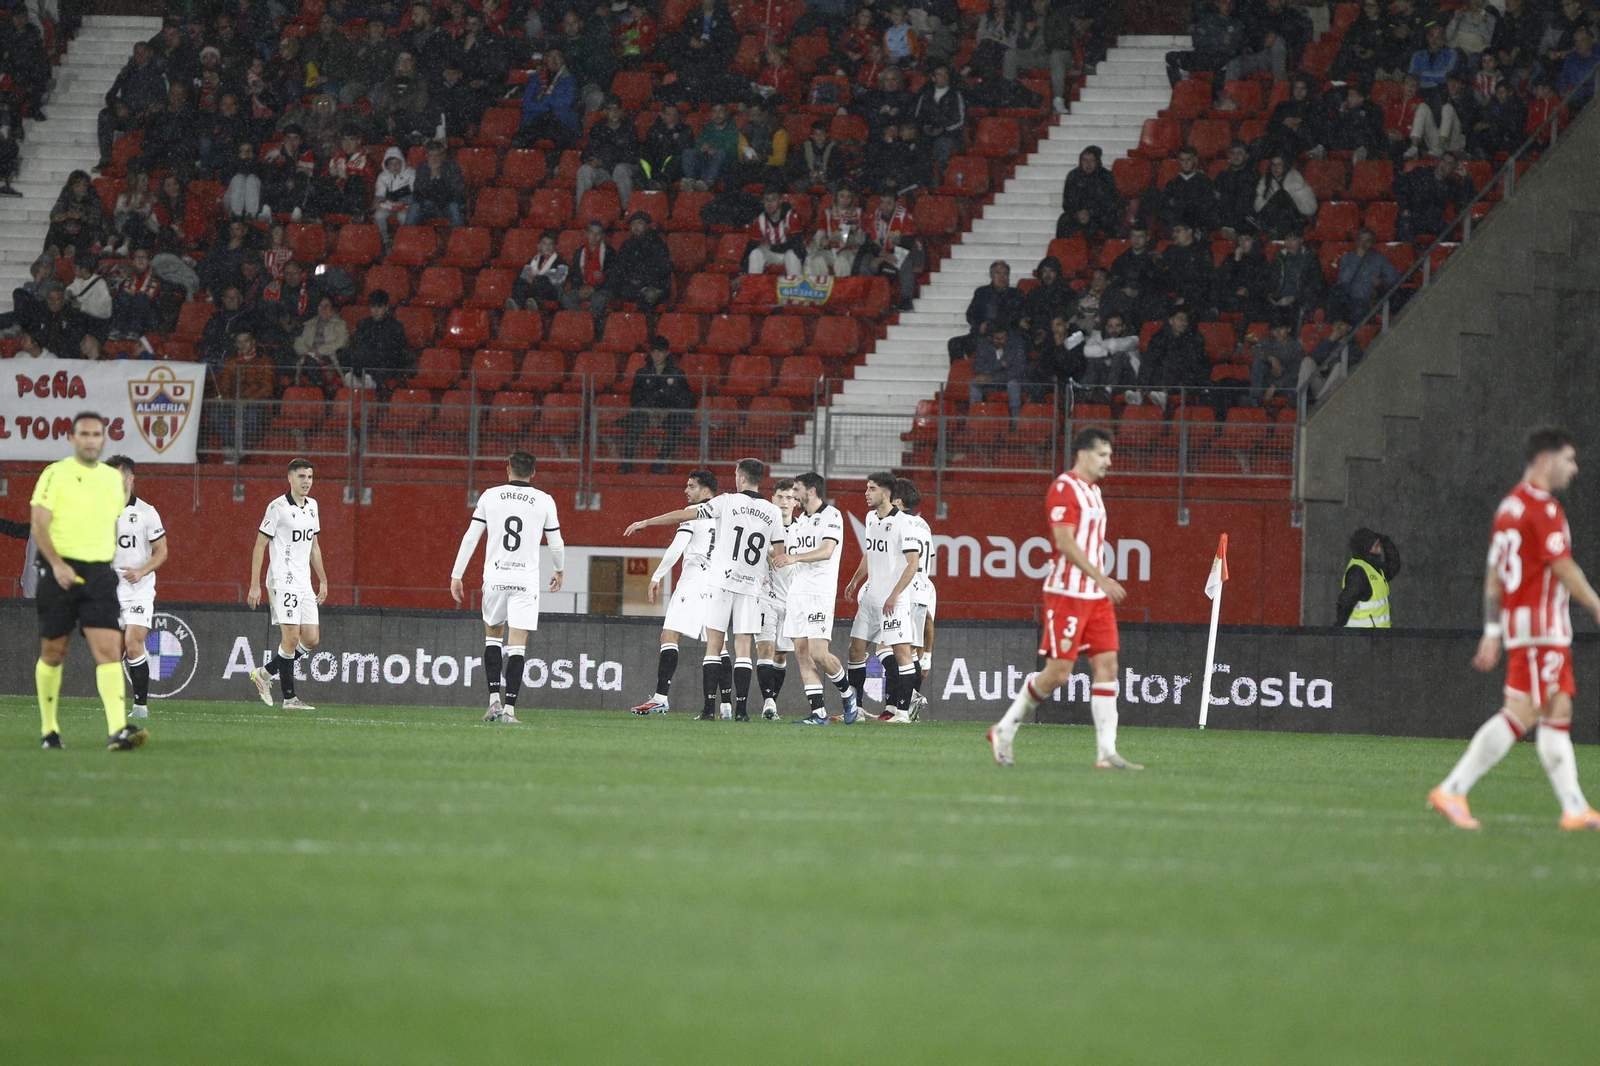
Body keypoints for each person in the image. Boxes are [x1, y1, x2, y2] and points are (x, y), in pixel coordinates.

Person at [1429, 426, 1600, 831]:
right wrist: (1595, 604)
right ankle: (1453, 789)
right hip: (1541, 628)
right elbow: (1563, 567)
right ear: (1545, 460)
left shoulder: (1508, 507)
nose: (1574, 468)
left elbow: (1494, 573)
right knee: (1522, 713)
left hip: (1531, 627)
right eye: (1569, 459)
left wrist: (1492, 628)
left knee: (1558, 710)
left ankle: (1575, 808)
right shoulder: (1543, 508)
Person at [988, 427, 1141, 769]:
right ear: (1083, 454)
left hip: (1095, 597)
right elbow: (1064, 541)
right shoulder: (1064, 488)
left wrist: (1098, 583)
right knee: (1058, 674)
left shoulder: (1094, 492)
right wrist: (1101, 577)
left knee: (1108, 666)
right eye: (1103, 455)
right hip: (1067, 594)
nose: (1109, 462)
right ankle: (1004, 729)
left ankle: (1106, 752)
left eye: (1110, 455)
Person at [624, 458, 786, 722]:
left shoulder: (724, 503)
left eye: (736, 473)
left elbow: (683, 521)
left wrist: (648, 523)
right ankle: (737, 710)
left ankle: (694, 706)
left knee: (701, 641)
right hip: (749, 584)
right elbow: (779, 554)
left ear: (742, 478)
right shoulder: (771, 511)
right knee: (739, 646)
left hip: (715, 581)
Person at [30, 413, 148, 751]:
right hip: (59, 571)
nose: (91, 439)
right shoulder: (55, 474)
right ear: (72, 438)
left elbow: (110, 523)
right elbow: (39, 525)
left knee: (109, 651)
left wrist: (103, 560)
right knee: (54, 652)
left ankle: (118, 730)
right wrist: (57, 565)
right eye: (84, 434)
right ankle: (50, 731)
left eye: (97, 434)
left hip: (98, 574)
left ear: (103, 440)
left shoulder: (111, 481)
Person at [449, 450, 566, 723]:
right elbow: (556, 543)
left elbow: (470, 538)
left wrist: (457, 574)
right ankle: (510, 711)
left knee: (492, 639)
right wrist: (559, 570)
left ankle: (493, 702)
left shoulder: (490, 496)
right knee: (517, 646)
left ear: (508, 469)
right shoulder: (545, 500)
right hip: (525, 580)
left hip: (496, 577)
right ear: (533, 473)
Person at [774, 471, 861, 725]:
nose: (793, 495)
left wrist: (794, 557)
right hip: (797, 593)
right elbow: (787, 555)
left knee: (819, 652)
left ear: (811, 491)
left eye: (796, 490)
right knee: (801, 652)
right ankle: (818, 713)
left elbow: (827, 551)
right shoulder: (800, 521)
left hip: (819, 593)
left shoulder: (832, 515)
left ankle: (847, 692)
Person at [632, 469, 720, 715]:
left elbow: (677, 547)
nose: (686, 490)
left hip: (694, 580)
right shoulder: (724, 516)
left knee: (669, 635)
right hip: (717, 584)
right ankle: (726, 706)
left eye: (691, 486)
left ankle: (660, 698)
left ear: (705, 490)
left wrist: (656, 576)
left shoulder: (693, 514)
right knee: (717, 645)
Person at [842, 471, 926, 723]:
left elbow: (913, 563)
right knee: (855, 650)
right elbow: (870, 553)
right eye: (867, 488)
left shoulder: (904, 523)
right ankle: (856, 710)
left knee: (902, 654)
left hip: (892, 601)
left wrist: (895, 594)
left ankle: (902, 712)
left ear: (887, 494)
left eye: (872, 488)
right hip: (870, 599)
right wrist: (855, 580)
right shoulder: (870, 518)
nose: (866, 493)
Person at [246, 460, 327, 712]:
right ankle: (290, 699)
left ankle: (264, 674)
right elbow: (259, 545)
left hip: (304, 582)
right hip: (282, 581)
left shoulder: (313, 506)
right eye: (301, 476)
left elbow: (314, 547)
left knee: (311, 638)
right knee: (290, 638)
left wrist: (323, 580)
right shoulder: (277, 507)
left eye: (310, 477)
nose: (306, 481)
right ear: (289, 478)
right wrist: (255, 584)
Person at [103, 456, 166, 721]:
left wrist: (141, 571)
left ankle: (140, 707)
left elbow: (162, 551)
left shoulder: (146, 512)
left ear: (130, 479)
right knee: (112, 654)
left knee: (133, 642)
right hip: (110, 591)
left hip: (139, 589)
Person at [894, 478, 939, 720]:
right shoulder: (923, 524)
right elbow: (928, 558)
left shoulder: (898, 521)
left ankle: (906, 703)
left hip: (907, 586)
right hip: (922, 585)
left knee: (895, 648)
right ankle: (907, 704)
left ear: (897, 501)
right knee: (911, 651)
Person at [755, 479, 799, 720]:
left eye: (789, 497)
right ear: (772, 499)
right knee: (765, 648)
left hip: (791, 600)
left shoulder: (803, 529)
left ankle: (773, 702)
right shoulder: (763, 525)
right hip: (766, 597)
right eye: (780, 497)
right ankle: (768, 702)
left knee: (781, 655)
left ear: (796, 502)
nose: (784, 502)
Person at [620, 336, 695, 474]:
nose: (657, 355)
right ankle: (626, 463)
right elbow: (635, 400)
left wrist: (667, 411)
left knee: (678, 425)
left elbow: (685, 400)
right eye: (654, 351)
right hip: (646, 414)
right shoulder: (642, 373)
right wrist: (650, 410)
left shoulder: (677, 374)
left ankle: (659, 463)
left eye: (660, 351)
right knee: (634, 422)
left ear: (667, 353)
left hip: (669, 416)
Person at [210, 331, 277, 458]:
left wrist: (248, 401)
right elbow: (224, 387)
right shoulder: (230, 362)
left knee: (252, 415)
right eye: (239, 342)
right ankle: (232, 446)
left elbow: (267, 389)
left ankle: (244, 447)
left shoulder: (265, 362)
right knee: (216, 413)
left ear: (253, 342)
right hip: (233, 404)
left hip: (255, 404)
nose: (242, 345)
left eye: (246, 341)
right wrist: (232, 401)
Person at [1134, 307, 1208, 410]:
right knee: (1148, 358)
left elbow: (1195, 363)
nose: (1183, 323)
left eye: (1185, 320)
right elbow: (1151, 359)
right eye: (1180, 319)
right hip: (1160, 377)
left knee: (1172, 357)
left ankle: (1164, 394)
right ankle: (1139, 392)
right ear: (1170, 321)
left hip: (1184, 379)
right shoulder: (1159, 338)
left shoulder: (1194, 338)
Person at [950, 260, 1024, 361]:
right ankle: (960, 370)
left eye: (1005, 274)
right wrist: (979, 326)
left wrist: (995, 327)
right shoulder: (981, 292)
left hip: (1005, 336)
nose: (1002, 277)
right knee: (954, 343)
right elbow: (970, 314)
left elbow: (1015, 316)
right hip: (983, 334)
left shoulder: (1016, 294)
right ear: (991, 275)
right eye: (998, 273)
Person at [576, 95, 640, 210]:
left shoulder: (629, 127)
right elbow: (588, 151)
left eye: (617, 109)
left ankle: (628, 212)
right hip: (604, 171)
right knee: (584, 170)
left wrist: (604, 162)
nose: (614, 112)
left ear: (622, 111)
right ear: (605, 112)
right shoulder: (598, 127)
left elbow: (629, 156)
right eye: (611, 109)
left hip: (626, 169)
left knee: (620, 169)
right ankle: (581, 210)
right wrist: (591, 160)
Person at [862, 190, 923, 311]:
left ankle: (906, 300)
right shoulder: (874, 216)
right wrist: (884, 256)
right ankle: (864, 298)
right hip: (884, 252)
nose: (884, 206)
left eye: (889, 203)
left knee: (903, 261)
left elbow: (907, 243)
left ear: (896, 203)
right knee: (866, 260)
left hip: (910, 251)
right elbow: (869, 242)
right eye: (882, 202)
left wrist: (884, 257)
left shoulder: (905, 216)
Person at [600, 212, 672, 312]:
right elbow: (619, 268)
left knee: (648, 297)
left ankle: (645, 322)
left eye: (639, 223)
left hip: (652, 286)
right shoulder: (627, 246)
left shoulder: (658, 245)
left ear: (647, 226)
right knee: (606, 295)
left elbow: (661, 271)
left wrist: (642, 281)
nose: (635, 227)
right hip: (632, 287)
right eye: (633, 224)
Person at [342, 290, 411, 391]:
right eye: (373, 307)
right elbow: (358, 346)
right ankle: (363, 381)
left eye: (379, 307)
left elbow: (398, 352)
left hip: (385, 363)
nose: (375, 310)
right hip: (366, 362)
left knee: (381, 357)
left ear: (386, 307)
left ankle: (371, 384)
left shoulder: (395, 326)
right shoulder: (363, 324)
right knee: (346, 354)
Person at [1394, 151, 1471, 241]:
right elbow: (1398, 184)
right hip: (1412, 218)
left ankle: (1443, 250)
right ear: (1438, 161)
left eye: (1449, 164)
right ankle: (1407, 249)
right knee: (1405, 224)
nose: (1444, 165)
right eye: (1443, 161)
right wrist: (1405, 207)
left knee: (1448, 229)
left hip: (1433, 222)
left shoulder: (1451, 185)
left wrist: (1465, 177)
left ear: (1453, 168)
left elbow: (1468, 198)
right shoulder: (1420, 173)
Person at [1329, 229, 1400, 325]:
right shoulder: (1348, 257)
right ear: (1357, 241)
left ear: (1372, 244)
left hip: (1362, 301)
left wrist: (1382, 282)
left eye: (1368, 241)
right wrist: (1358, 258)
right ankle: (1332, 330)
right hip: (1345, 298)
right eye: (1361, 239)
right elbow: (1343, 280)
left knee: (1357, 312)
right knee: (1335, 294)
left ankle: (1354, 333)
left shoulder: (1379, 259)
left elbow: (1395, 277)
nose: (1363, 243)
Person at [912, 63, 967, 183]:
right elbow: (918, 117)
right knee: (919, 145)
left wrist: (943, 129)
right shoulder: (926, 95)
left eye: (945, 74)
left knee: (942, 145)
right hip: (928, 133)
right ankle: (924, 181)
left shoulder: (955, 94)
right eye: (940, 75)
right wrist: (926, 128)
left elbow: (960, 120)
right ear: (933, 78)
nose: (943, 77)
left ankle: (943, 179)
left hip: (949, 134)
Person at [1336, 527, 1400, 628]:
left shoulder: (1373, 567)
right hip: (1362, 635)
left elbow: (1393, 567)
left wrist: (1387, 543)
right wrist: (1339, 626)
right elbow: (1345, 602)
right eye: (1376, 546)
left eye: (1379, 546)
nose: (1379, 550)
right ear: (1366, 548)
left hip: (1377, 633)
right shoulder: (1358, 572)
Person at [518, 47, 581, 149]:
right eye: (551, 56)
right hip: (536, 121)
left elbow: (567, 102)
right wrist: (548, 107)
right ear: (545, 59)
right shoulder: (534, 79)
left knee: (563, 141)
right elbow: (527, 104)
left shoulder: (570, 80)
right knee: (520, 139)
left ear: (563, 60)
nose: (554, 60)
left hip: (561, 123)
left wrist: (544, 98)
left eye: (558, 56)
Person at [1057, 144, 1119, 240]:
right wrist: (1078, 214)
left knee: (1110, 221)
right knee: (1063, 220)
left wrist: (1090, 213)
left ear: (1097, 161)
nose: (1088, 164)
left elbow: (1111, 203)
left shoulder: (1106, 177)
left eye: (1091, 160)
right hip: (1078, 215)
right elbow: (1067, 203)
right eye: (1084, 160)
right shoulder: (1073, 176)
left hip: (1098, 216)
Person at [804, 187, 867, 277]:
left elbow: (863, 239)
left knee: (841, 261)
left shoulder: (858, 212)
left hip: (850, 251)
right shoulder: (827, 213)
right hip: (831, 250)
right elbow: (820, 232)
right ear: (836, 197)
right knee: (818, 259)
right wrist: (822, 239)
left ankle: (842, 286)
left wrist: (856, 232)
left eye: (848, 197)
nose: (845, 200)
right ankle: (823, 284)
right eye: (842, 196)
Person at [1299, 317, 1365, 401]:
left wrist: (1329, 364)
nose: (1338, 327)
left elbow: (1348, 364)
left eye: (1342, 324)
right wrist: (1330, 340)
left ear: (1349, 328)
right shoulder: (1327, 341)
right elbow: (1314, 357)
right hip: (1321, 382)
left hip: (1337, 388)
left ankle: (1319, 403)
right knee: (1307, 361)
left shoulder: (1354, 346)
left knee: (1339, 366)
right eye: (1335, 324)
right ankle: (1299, 398)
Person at [1253, 154, 1317, 239]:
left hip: (1295, 221)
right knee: (1280, 206)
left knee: (1281, 194)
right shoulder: (1265, 183)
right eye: (1273, 164)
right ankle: (1272, 229)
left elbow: (1310, 208)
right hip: (1274, 220)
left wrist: (1291, 201)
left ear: (1285, 166)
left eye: (1279, 164)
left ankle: (1267, 227)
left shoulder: (1296, 181)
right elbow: (1258, 204)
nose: (1275, 167)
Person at [680, 102, 740, 192]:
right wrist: (702, 148)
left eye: (720, 111)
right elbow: (698, 144)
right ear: (711, 114)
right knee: (688, 152)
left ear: (726, 113)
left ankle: (707, 182)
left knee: (720, 153)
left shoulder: (732, 129)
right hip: (706, 164)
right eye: (714, 111)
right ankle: (690, 182)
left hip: (723, 168)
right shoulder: (708, 128)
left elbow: (733, 151)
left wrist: (715, 150)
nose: (717, 115)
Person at [973, 325, 1029, 420]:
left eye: (1003, 338)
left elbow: (1017, 371)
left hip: (1012, 382)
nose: (1001, 341)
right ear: (990, 338)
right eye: (997, 339)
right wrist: (998, 365)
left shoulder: (1017, 346)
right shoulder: (984, 346)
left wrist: (993, 378)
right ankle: (976, 418)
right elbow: (978, 368)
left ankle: (1015, 422)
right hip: (993, 383)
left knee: (1013, 384)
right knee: (975, 383)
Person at [745, 189, 805, 276]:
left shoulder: (791, 215)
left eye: (773, 199)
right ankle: (753, 283)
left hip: (787, 254)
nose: (769, 203)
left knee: (793, 254)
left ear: (780, 201)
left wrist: (773, 247)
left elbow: (796, 244)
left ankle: (795, 284)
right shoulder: (760, 219)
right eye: (767, 200)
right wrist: (742, 270)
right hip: (772, 254)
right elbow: (751, 245)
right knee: (755, 253)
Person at [406, 140, 467, 226]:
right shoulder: (423, 167)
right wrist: (431, 178)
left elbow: (457, 193)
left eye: (437, 156)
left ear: (443, 156)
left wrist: (438, 177)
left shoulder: (453, 167)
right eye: (431, 156)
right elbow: (418, 193)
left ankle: (458, 234)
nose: (434, 159)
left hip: (447, 205)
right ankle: (408, 233)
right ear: (427, 156)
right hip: (428, 205)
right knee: (415, 206)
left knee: (454, 207)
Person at [1214, 230, 1271, 322]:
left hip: (1251, 299)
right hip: (1231, 297)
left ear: (1253, 241)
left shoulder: (1260, 259)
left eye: (1247, 240)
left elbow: (1263, 284)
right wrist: (1236, 260)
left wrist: (1249, 291)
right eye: (1240, 239)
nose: (1243, 243)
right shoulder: (1231, 258)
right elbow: (1224, 279)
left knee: (1252, 307)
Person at [1267, 228, 1323, 320]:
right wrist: (1270, 295)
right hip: (1279, 298)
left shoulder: (1310, 258)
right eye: (1287, 239)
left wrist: (1294, 298)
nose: (1289, 243)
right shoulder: (1279, 258)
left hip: (1300, 299)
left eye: (1293, 239)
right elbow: (1271, 280)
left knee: (1292, 312)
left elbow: (1316, 285)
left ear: (1301, 240)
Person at [1080, 313, 1138, 399]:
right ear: (1106, 328)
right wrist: (1107, 352)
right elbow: (1087, 350)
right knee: (1095, 360)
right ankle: (1085, 391)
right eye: (1110, 326)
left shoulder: (1133, 340)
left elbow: (1114, 344)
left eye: (1117, 326)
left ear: (1124, 327)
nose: (1114, 329)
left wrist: (1100, 349)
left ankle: (1108, 390)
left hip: (1127, 382)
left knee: (1119, 355)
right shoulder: (1100, 337)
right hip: (1106, 380)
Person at [640, 103, 694, 190]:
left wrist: (665, 140)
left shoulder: (685, 129)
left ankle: (662, 182)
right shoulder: (655, 129)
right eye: (669, 114)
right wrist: (672, 140)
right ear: (662, 115)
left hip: (675, 166)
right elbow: (651, 146)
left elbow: (684, 148)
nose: (672, 117)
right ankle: (648, 182)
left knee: (676, 157)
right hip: (657, 162)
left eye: (675, 114)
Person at [1249, 316, 1302, 404]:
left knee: (1295, 386)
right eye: (1274, 329)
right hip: (1268, 380)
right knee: (1257, 363)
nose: (1278, 332)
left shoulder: (1296, 347)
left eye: (1281, 328)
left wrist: (1275, 386)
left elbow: (1295, 372)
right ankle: (1255, 402)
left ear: (1288, 329)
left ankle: (1291, 409)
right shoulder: (1267, 341)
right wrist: (1271, 358)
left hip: (1286, 383)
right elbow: (1254, 350)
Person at [512, 231, 569, 309]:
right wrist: (529, 279)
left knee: (541, 280)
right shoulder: (533, 260)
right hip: (533, 288)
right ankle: (517, 304)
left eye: (551, 244)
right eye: (544, 243)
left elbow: (560, 280)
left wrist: (539, 278)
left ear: (554, 246)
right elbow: (524, 275)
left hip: (552, 291)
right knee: (519, 281)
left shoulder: (560, 261)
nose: (548, 246)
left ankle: (535, 304)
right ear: (539, 246)